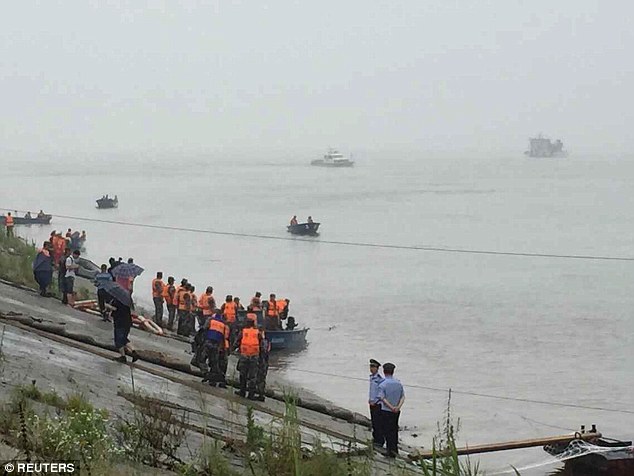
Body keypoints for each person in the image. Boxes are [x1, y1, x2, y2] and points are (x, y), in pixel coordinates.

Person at [377, 362, 405, 458]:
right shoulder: (398, 383)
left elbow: (382, 398)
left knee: (387, 430)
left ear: (384, 372)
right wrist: (397, 407)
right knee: (394, 429)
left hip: (386, 410)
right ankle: (394, 449)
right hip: (396, 411)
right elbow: (403, 397)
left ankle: (389, 450)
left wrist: (391, 407)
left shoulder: (383, 384)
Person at [106, 296, 139, 363]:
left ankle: (123, 357)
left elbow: (115, 309)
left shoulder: (118, 300)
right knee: (124, 339)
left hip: (120, 322)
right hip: (127, 322)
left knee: (118, 340)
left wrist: (107, 306)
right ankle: (134, 351)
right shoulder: (126, 300)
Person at [234, 319, 262, 400]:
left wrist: (232, 348)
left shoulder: (243, 331)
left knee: (243, 374)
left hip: (244, 355)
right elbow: (262, 344)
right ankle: (251, 394)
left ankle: (242, 391)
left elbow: (237, 342)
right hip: (254, 356)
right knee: (252, 376)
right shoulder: (258, 333)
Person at [200, 313, 228, 387]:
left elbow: (204, 329)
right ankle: (213, 380)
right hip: (217, 346)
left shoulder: (211, 320)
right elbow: (225, 338)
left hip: (208, 342)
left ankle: (206, 373)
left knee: (201, 359)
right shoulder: (223, 325)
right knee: (214, 362)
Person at [368, 359, 385, 449]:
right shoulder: (371, 378)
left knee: (378, 422)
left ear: (377, 368)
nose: (371, 369)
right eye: (371, 366)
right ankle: (375, 438)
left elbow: (380, 392)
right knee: (374, 422)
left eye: (373, 367)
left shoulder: (379, 379)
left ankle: (380, 440)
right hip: (372, 403)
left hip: (377, 404)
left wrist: (375, 401)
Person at [255, 328, 271, 402]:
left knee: (260, 379)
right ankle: (258, 393)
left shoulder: (263, 342)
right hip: (262, 362)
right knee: (259, 378)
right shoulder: (266, 341)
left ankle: (261, 395)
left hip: (262, 363)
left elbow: (263, 352)